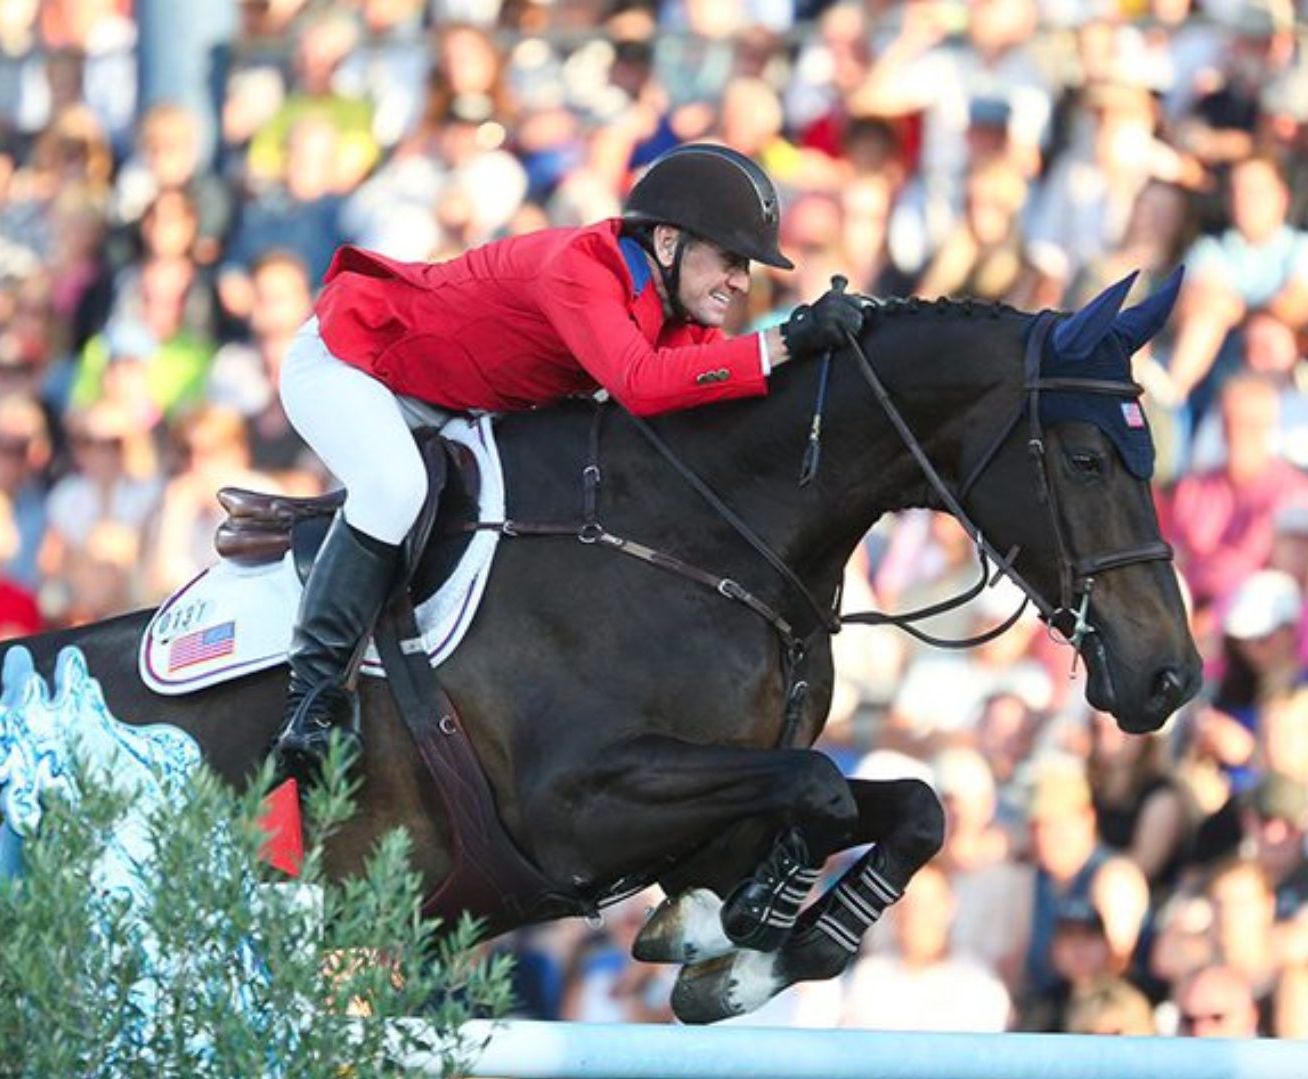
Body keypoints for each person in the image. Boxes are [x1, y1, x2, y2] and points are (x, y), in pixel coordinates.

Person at [270, 142, 864, 784]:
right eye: (729, 258)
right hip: (351, 365)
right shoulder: (580, 268)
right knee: (394, 488)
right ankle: (313, 702)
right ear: (668, 243)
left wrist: (813, 363)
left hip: (448, 403)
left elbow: (703, 406)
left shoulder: (673, 315)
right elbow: (642, 383)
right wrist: (781, 340)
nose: (742, 281)